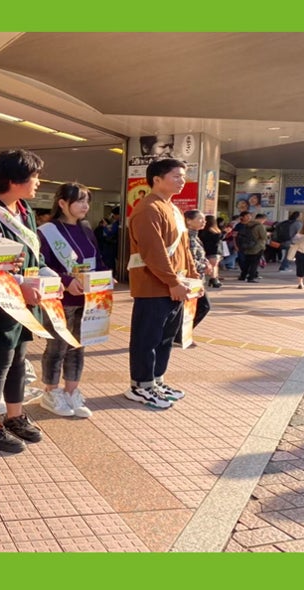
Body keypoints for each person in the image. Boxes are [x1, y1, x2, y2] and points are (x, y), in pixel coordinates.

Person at [0, 149, 55, 452]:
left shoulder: (24, 210)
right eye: (34, 176)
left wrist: (49, 277)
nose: (38, 182)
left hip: (24, 300)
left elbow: (35, 256)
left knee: (20, 359)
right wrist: (22, 283)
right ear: (14, 180)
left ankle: (14, 416)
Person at [123, 158, 197, 410]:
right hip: (152, 287)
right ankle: (140, 386)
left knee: (165, 338)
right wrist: (173, 281)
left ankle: (156, 380)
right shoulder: (148, 209)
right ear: (157, 179)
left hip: (174, 285)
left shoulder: (173, 209)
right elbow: (153, 252)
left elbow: (185, 248)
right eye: (176, 176)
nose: (182, 181)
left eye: (183, 176)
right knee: (147, 339)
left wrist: (192, 277)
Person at [37, 182, 105, 418]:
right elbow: (42, 264)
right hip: (59, 299)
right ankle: (51, 392)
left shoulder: (86, 228)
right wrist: (66, 281)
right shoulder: (47, 231)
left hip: (87, 298)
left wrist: (105, 278)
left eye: (87, 201)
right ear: (62, 203)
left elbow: (97, 259)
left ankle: (71, 391)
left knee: (78, 345)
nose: (85, 205)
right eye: (79, 200)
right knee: (57, 347)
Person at [174, 209, 211, 346]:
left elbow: (199, 256)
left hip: (196, 279)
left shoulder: (195, 236)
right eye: (200, 219)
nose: (204, 222)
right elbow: (188, 260)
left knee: (192, 308)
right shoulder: (187, 237)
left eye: (204, 219)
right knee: (204, 306)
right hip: (190, 280)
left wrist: (206, 263)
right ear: (188, 221)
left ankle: (179, 335)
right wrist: (204, 266)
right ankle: (178, 335)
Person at [238, 211, 268, 283]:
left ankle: (243, 276)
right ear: (261, 219)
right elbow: (264, 237)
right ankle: (251, 277)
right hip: (258, 246)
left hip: (248, 245)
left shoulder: (247, 224)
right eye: (264, 220)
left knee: (247, 262)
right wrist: (268, 234)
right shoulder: (260, 226)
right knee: (254, 263)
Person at [198, 214, 223, 288]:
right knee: (214, 266)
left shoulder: (201, 231)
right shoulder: (216, 231)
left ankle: (213, 279)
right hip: (215, 251)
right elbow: (217, 241)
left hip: (205, 250)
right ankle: (214, 279)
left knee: (209, 265)